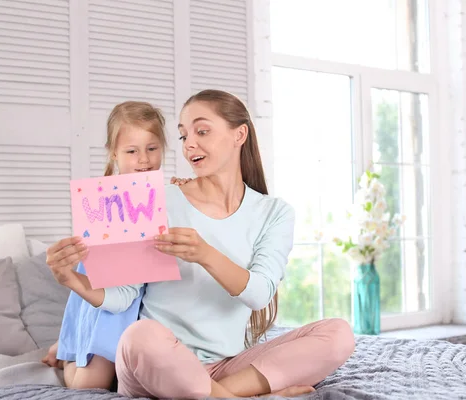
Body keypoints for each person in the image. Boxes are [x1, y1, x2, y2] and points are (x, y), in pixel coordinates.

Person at [49, 89, 356, 398]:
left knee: (338, 334)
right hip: (156, 363)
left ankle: (209, 394)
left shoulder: (274, 213)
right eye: (183, 136)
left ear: (240, 135)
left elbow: (260, 293)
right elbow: (122, 297)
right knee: (140, 336)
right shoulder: (150, 199)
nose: (189, 144)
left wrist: (205, 254)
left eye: (202, 131)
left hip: (226, 366)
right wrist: (72, 278)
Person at [41, 100, 169, 390]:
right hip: (110, 294)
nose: (144, 160)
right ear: (114, 152)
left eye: (152, 148)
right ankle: (66, 358)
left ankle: (63, 347)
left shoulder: (167, 193)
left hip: (148, 299)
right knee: (91, 384)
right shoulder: (104, 197)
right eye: (132, 151)